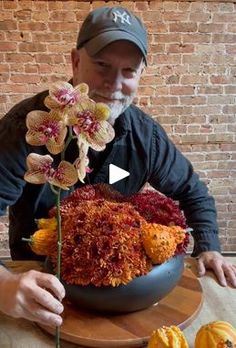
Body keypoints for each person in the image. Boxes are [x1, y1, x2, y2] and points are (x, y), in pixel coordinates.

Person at [0, 6, 235, 327]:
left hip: (119, 284)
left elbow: (193, 192)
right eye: (102, 65)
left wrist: (209, 247)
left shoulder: (144, 137)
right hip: (40, 284)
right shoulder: (28, 128)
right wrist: (3, 285)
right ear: (75, 61)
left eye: (129, 71)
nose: (114, 84)